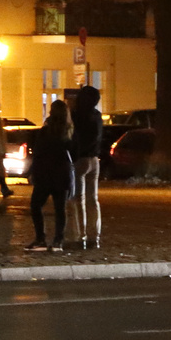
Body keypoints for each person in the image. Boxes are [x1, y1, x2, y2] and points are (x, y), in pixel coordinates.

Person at [26, 100, 76, 252]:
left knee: (36, 205)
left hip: (45, 174)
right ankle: (58, 240)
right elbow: (75, 153)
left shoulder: (45, 131)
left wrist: (32, 172)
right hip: (62, 174)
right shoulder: (69, 131)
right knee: (60, 209)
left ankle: (40, 238)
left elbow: (38, 153)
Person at [68, 86, 105, 250]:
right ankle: (94, 236)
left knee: (78, 200)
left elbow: (73, 137)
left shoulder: (77, 116)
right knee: (93, 200)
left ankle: (81, 236)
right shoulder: (97, 116)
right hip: (94, 160)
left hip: (80, 159)